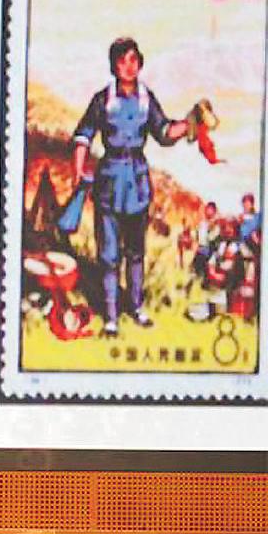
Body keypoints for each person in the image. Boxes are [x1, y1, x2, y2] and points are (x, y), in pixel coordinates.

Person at [72, 37, 200, 337]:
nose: (129, 66)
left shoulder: (146, 99)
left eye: (133, 60)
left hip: (138, 184)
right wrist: (78, 167)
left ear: (140, 63)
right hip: (109, 182)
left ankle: (137, 308)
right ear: (113, 66)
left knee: (136, 252)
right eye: (122, 61)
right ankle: (111, 318)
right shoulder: (103, 99)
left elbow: (163, 132)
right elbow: (83, 134)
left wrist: (189, 123)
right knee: (108, 255)